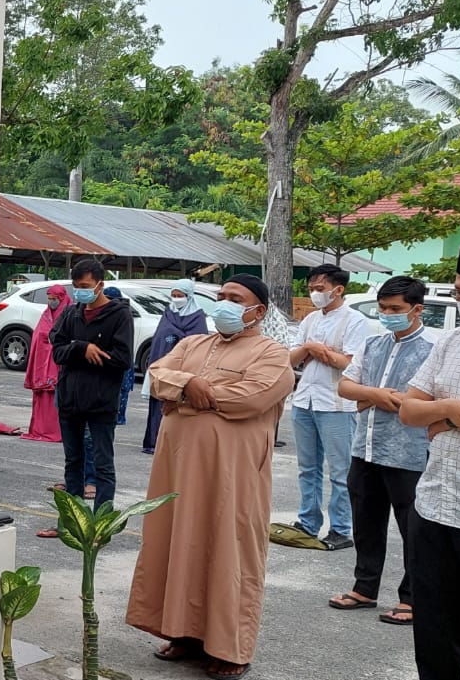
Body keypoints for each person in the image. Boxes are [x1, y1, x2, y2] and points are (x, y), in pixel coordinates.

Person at [126, 274, 296, 680]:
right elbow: (156, 375)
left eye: (234, 298)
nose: (223, 303)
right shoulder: (193, 344)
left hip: (231, 477)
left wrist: (182, 396)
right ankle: (182, 633)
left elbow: (251, 398)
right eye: (220, 296)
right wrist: (189, 384)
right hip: (178, 470)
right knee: (177, 542)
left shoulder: (273, 355)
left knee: (228, 550)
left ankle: (229, 647)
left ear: (258, 310)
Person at [328, 276, 433, 626]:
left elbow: (422, 401)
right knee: (366, 523)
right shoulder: (373, 344)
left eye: (395, 309)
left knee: (413, 530)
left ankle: (412, 598)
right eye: (383, 308)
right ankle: (364, 588)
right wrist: (376, 395)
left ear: (417, 310)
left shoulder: (432, 350)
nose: (387, 315)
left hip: (410, 454)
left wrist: (370, 397)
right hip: (366, 448)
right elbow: (346, 386)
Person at [398, 244, 460, 680]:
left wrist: (441, 419)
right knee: (435, 634)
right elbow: (409, 410)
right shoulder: (452, 342)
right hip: (436, 506)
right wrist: (451, 411)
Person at [38, 259, 133, 539]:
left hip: (101, 402)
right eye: (76, 286)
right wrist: (83, 348)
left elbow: (122, 359)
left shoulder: (119, 315)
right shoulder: (72, 313)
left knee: (103, 466)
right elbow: (58, 351)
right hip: (70, 400)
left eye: (86, 286)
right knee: (73, 463)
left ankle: (99, 528)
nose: (81, 291)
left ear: (100, 284)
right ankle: (70, 525)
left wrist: (86, 352)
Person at [288, 263, 371, 550]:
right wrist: (313, 349)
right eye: (311, 288)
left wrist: (315, 351)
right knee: (307, 468)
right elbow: (292, 358)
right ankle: (308, 522)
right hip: (304, 400)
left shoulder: (355, 321)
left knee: (340, 471)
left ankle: (340, 528)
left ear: (338, 289)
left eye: (319, 288)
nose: (314, 293)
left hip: (336, 404)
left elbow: (351, 364)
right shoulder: (310, 319)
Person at [140, 278, 208, 454]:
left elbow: (198, 342)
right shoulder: (168, 313)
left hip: (183, 370)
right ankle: (154, 441)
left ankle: (175, 445)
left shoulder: (198, 317)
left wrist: (177, 336)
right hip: (163, 366)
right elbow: (159, 338)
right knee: (158, 405)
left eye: (180, 295)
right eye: (174, 295)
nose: (176, 299)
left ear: (189, 296)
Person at [22, 284, 70, 443]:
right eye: (49, 299)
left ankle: (58, 431)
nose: (51, 302)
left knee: (58, 400)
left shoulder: (69, 315)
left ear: (61, 298)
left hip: (60, 366)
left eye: (54, 299)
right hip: (42, 366)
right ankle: (40, 429)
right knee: (42, 400)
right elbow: (37, 337)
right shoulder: (45, 316)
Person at [105, 286, 137, 427]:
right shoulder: (122, 313)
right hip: (117, 362)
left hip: (120, 362)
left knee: (121, 392)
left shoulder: (123, 315)